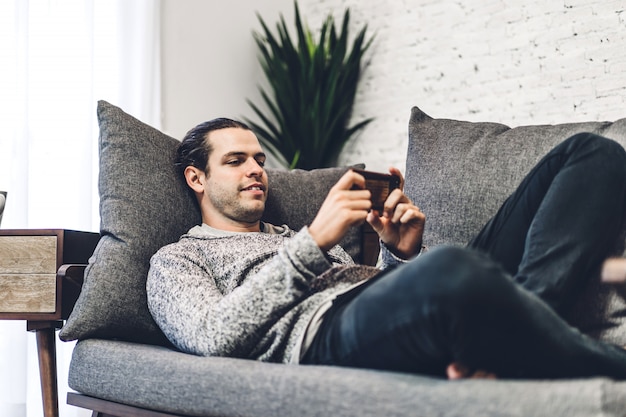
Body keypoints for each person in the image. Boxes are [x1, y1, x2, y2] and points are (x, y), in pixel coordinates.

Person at [147, 117, 626, 380]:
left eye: (258, 159)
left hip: (389, 303)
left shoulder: (286, 237)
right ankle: (523, 336)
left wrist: (398, 254)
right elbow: (211, 336)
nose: (256, 169)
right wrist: (312, 243)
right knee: (454, 266)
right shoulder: (177, 259)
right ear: (197, 178)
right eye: (235, 161)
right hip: (320, 336)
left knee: (590, 153)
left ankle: (514, 332)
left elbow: (373, 293)